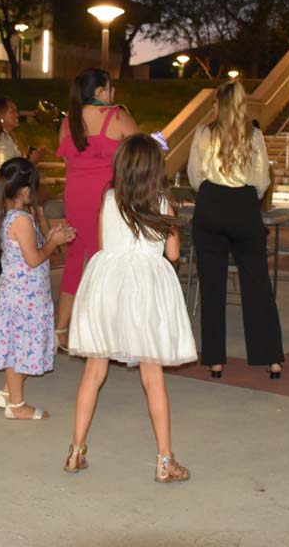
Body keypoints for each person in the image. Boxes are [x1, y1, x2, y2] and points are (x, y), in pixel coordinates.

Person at [66, 134, 198, 482]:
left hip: (108, 287)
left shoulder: (109, 199)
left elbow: (103, 243)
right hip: (145, 293)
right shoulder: (163, 203)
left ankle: (76, 449)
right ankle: (165, 461)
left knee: (94, 372)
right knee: (152, 377)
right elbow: (171, 255)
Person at [187, 79, 284, 380]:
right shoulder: (254, 135)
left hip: (211, 204)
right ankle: (271, 359)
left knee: (212, 284)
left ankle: (215, 360)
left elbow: (194, 175)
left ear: (220, 104)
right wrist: (244, 199)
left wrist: (212, 193)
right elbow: (262, 180)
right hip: (243, 205)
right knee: (257, 284)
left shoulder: (204, 132)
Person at [56, 69, 139, 350]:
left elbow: (67, 163)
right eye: (110, 88)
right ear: (101, 92)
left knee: (76, 259)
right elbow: (141, 154)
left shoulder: (68, 121)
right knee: (108, 259)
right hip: (105, 200)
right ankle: (103, 330)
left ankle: (61, 330)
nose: (113, 94)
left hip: (75, 196)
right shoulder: (116, 116)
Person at [0, 158, 75, 420]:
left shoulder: (14, 217)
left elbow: (31, 252)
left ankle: (7, 391)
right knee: (23, 347)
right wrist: (53, 243)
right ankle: (16, 405)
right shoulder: (21, 220)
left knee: (24, 345)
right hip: (24, 298)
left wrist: (51, 238)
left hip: (20, 294)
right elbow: (34, 259)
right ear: (25, 190)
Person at [0, 98, 26, 301]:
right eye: (12, 111)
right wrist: (29, 163)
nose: (16, 115)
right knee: (8, 245)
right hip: (0, 195)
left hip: (0, 194)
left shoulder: (5, 138)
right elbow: (6, 173)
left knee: (8, 245)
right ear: (0, 116)